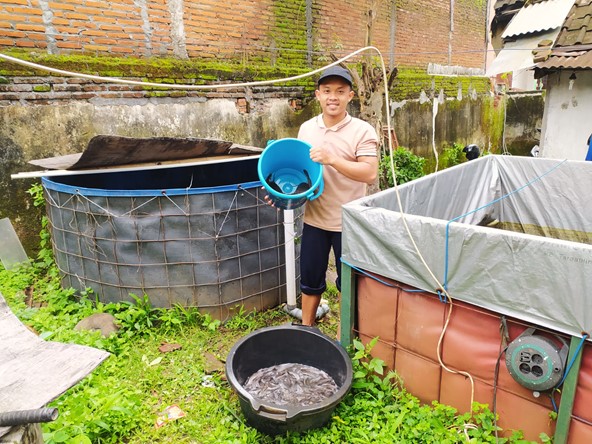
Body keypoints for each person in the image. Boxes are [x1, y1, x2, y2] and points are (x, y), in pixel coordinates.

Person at [297, 66, 379, 326]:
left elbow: (369, 173)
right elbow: (301, 171)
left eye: (340, 92)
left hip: (349, 222)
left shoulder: (362, 131)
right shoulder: (307, 129)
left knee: (349, 283)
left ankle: (345, 338)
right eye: (327, 91)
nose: (333, 97)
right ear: (318, 95)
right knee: (310, 280)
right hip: (315, 219)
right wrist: (283, 193)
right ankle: (306, 329)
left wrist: (332, 159)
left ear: (350, 96)